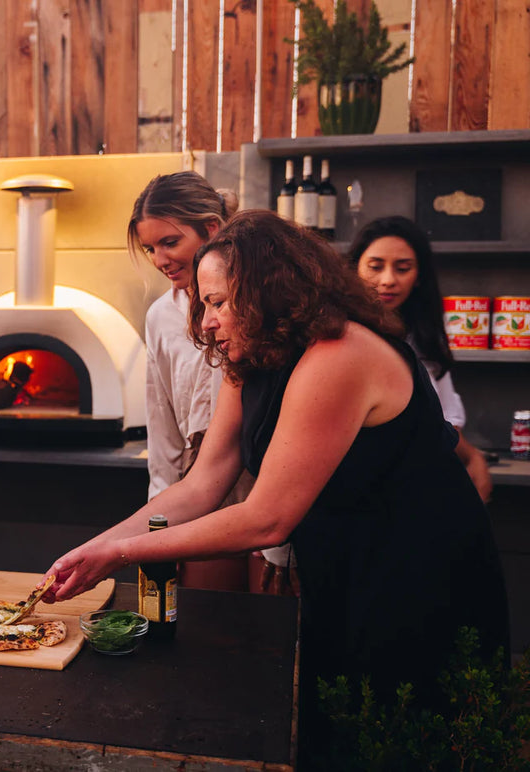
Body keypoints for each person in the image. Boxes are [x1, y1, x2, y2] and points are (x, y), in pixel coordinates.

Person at [44, 210, 509, 767]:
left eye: (217, 302)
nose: (207, 321)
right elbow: (203, 484)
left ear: (269, 289)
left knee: (403, 739)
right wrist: (93, 547)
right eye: (203, 304)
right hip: (343, 565)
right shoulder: (251, 357)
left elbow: (267, 518)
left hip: (419, 571)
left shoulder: (340, 354)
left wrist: (119, 554)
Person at [128, 172, 251, 591]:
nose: (160, 259)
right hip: (199, 489)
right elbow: (161, 424)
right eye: (150, 248)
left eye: (169, 242)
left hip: (265, 480)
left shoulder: (258, 300)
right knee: (209, 622)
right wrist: (158, 524)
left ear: (212, 229)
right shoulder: (161, 316)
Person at [349, 215, 492, 502]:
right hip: (361, 492)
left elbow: (443, 419)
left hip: (421, 489)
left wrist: (473, 457)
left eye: (403, 268)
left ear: (419, 277)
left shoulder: (424, 337)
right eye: (376, 267)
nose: (388, 280)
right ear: (353, 270)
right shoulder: (343, 335)